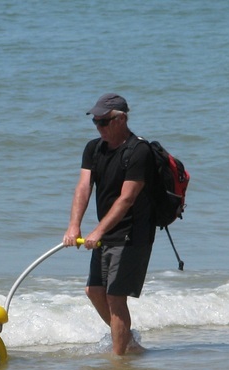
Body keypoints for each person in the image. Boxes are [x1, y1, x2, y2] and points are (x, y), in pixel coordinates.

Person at [63, 94, 155, 355]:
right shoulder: (93, 149)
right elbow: (83, 187)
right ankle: (128, 342)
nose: (99, 127)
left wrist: (98, 230)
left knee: (116, 298)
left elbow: (127, 199)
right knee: (94, 291)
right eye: (96, 122)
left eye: (104, 122)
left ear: (122, 118)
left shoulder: (139, 151)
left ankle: (119, 363)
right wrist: (74, 226)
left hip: (132, 234)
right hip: (105, 233)